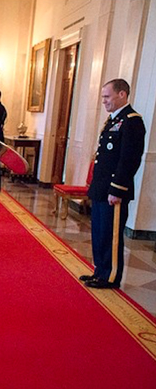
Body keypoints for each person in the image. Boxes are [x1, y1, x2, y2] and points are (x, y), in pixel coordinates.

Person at [79, 79, 145, 289]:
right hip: (102, 189)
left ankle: (110, 276)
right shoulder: (113, 120)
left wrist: (117, 189)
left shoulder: (132, 121)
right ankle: (100, 271)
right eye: (103, 97)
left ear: (122, 95)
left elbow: (129, 160)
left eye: (107, 96)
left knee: (111, 235)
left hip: (114, 191)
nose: (104, 101)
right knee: (99, 233)